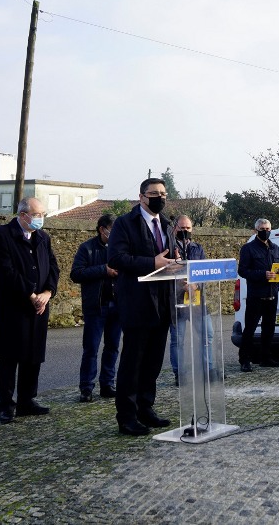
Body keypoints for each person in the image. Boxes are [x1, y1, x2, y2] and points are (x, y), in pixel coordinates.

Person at [108, 178, 177, 436]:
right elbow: (116, 258)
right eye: (154, 193)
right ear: (141, 197)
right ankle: (126, 416)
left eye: (163, 193)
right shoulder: (125, 224)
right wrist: (153, 262)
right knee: (133, 362)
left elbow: (167, 258)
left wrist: (175, 262)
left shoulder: (167, 224)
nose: (159, 197)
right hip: (137, 303)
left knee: (153, 362)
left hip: (163, 303)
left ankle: (145, 407)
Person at [0, 196, 59, 424]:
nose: (40, 219)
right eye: (37, 215)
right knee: (10, 356)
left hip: (39, 306)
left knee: (33, 355)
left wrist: (47, 293)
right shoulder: (1, 235)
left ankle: (27, 400)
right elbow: (4, 271)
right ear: (22, 215)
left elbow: (53, 268)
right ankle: (6, 404)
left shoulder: (43, 238)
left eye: (43, 215)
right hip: (13, 306)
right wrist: (30, 294)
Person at [71, 214, 121, 403]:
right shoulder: (87, 248)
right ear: (102, 229)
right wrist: (103, 270)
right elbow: (76, 273)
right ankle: (86, 387)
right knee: (91, 348)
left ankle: (107, 384)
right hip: (96, 306)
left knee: (113, 347)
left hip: (117, 305)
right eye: (112, 230)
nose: (114, 234)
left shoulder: (119, 248)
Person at [237, 218, 279, 372]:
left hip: (272, 294)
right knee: (250, 329)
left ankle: (266, 357)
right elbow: (242, 271)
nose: (266, 231)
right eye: (262, 229)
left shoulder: (275, 248)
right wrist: (262, 275)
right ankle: (245, 359)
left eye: (268, 229)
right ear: (256, 230)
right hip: (256, 295)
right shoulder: (248, 248)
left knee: (269, 328)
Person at [167, 214, 210, 385]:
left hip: (197, 300)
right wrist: (180, 284)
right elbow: (164, 272)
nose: (185, 231)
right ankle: (180, 374)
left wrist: (195, 285)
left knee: (207, 336)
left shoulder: (197, 248)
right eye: (182, 228)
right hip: (176, 302)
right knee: (178, 340)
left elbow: (205, 270)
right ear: (174, 229)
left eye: (188, 228)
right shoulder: (168, 248)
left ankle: (208, 369)